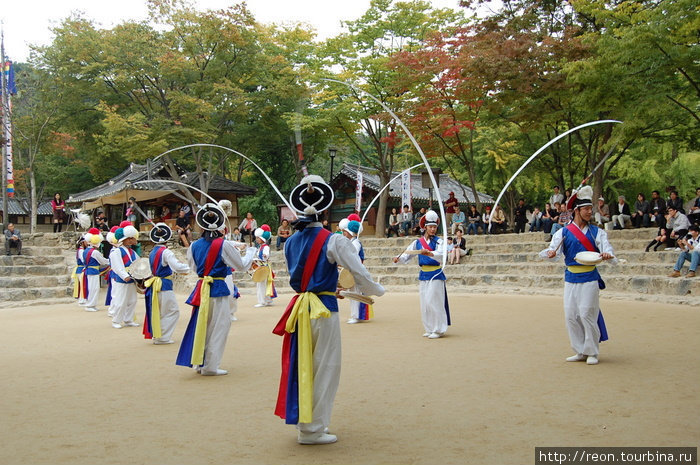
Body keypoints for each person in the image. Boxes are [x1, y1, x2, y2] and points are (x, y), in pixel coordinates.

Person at [273, 175, 384, 445]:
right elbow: (359, 272)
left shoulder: (289, 242)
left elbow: (302, 277)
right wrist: (376, 291)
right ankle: (313, 428)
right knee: (326, 366)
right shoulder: (334, 240)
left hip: (300, 308)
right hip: (323, 310)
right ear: (324, 208)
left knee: (303, 365)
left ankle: (304, 423)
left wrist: (324, 285)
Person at [176, 203, 257, 376]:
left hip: (202, 288)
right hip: (218, 288)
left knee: (202, 325)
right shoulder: (223, 244)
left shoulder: (194, 246)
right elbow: (241, 265)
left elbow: (193, 266)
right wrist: (250, 252)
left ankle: (199, 361)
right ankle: (211, 365)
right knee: (219, 326)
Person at [539, 185, 617, 366]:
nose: (590, 212)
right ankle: (580, 350)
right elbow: (554, 253)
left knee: (587, 313)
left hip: (589, 278)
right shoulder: (563, 233)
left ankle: (592, 351)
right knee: (571, 316)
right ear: (577, 211)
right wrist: (550, 254)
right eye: (586, 209)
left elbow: (610, 255)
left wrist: (607, 256)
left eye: (591, 208)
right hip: (571, 278)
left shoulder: (597, 232)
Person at [394, 210, 451, 339]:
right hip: (423, 274)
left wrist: (430, 253)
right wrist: (398, 258)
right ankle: (430, 328)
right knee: (425, 302)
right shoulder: (417, 242)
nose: (432, 229)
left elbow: (442, 255)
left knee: (434, 301)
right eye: (430, 227)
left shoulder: (439, 242)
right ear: (425, 227)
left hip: (436, 273)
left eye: (434, 227)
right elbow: (408, 254)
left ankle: (439, 329)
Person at [142, 223, 190, 344]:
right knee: (172, 311)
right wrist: (190, 267)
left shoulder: (152, 252)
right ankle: (162, 336)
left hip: (155, 284)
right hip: (164, 284)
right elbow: (177, 267)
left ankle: (158, 334)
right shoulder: (166, 252)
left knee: (160, 311)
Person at [339, 218, 374, 324]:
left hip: (356, 271)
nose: (344, 234)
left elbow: (352, 256)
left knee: (355, 293)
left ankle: (356, 316)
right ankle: (355, 315)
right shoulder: (352, 242)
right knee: (352, 293)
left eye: (345, 232)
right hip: (352, 270)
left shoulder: (356, 243)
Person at [108, 224, 141, 329]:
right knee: (120, 300)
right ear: (124, 240)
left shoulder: (132, 252)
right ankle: (116, 320)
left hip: (132, 278)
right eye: (129, 239)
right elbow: (117, 266)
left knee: (132, 300)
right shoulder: (116, 251)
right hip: (123, 280)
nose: (131, 241)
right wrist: (124, 276)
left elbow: (138, 263)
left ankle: (128, 319)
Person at [81, 228, 110, 312]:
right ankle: (90, 305)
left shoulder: (86, 250)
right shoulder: (95, 252)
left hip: (88, 270)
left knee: (91, 288)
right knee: (94, 288)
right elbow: (103, 261)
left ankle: (91, 304)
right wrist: (111, 260)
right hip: (93, 271)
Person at [254, 225, 277, 307]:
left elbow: (266, 255)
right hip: (262, 266)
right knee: (264, 283)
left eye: (257, 238)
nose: (256, 239)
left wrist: (264, 256)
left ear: (261, 239)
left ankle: (262, 301)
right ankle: (267, 300)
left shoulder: (265, 247)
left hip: (264, 266)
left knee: (262, 284)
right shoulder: (260, 247)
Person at [73, 236, 88, 306]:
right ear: (82, 243)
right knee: (82, 285)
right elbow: (83, 260)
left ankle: (82, 299)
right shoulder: (81, 251)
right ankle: (82, 300)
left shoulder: (80, 250)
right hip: (81, 269)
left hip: (80, 269)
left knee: (82, 284)